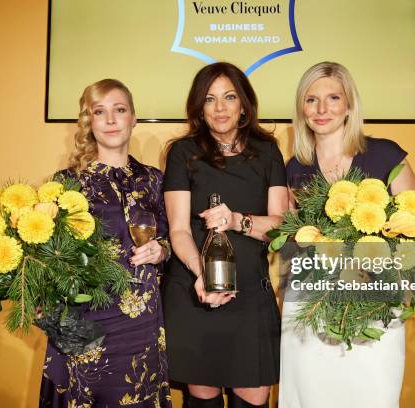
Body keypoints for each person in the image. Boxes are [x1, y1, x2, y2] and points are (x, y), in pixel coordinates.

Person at [280, 61, 415, 408]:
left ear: (349, 105)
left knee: (373, 395)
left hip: (375, 301)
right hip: (312, 302)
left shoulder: (385, 153)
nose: (322, 109)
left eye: (332, 98)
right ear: (302, 107)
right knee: (310, 397)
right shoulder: (295, 167)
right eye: (311, 100)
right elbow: (293, 239)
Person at [39, 79, 171, 407]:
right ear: (89, 122)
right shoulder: (65, 183)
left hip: (141, 327)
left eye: (119, 110)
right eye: (100, 112)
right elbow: (43, 258)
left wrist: (162, 250)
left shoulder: (155, 180)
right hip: (84, 323)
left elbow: (173, 237)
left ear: (133, 118)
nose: (111, 120)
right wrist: (65, 332)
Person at [162, 62, 288, 408]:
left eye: (229, 97)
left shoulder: (268, 151)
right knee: (202, 398)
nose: (220, 108)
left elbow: (281, 226)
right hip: (195, 291)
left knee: (253, 397)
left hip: (250, 294)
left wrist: (237, 221)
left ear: (244, 104)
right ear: (199, 108)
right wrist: (203, 275)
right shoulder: (183, 152)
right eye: (210, 99)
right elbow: (178, 229)